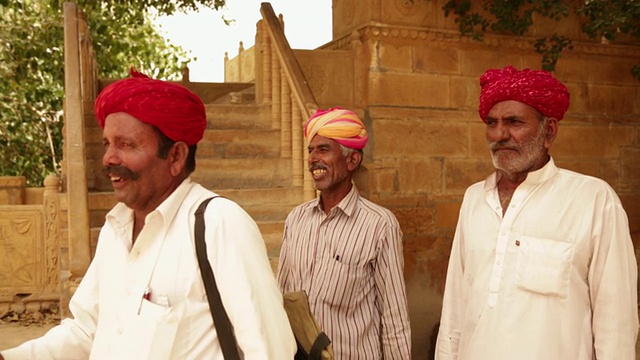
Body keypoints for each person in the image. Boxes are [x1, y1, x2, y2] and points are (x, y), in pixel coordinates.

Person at [0, 70, 296, 360]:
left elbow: (270, 351)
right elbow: (86, 331)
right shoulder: (115, 229)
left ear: (176, 156)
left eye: (126, 145)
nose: (108, 158)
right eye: (107, 144)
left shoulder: (219, 224)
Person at [435, 65, 639, 359]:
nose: (499, 134)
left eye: (514, 122)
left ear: (549, 131)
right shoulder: (474, 199)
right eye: (492, 123)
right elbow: (455, 307)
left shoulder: (593, 199)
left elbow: (616, 323)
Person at [277, 107, 412, 359]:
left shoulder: (379, 225)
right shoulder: (296, 219)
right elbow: (282, 298)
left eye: (324, 149)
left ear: (352, 160)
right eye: (310, 150)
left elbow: (394, 320)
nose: (313, 158)